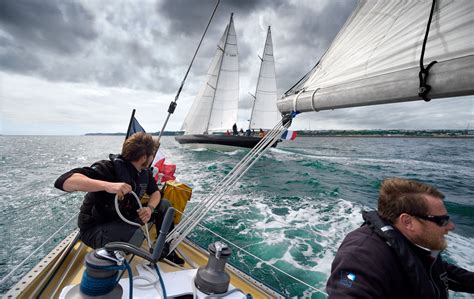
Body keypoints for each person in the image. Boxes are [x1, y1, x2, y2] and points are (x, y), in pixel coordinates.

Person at [326, 177, 474, 298]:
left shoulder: (415, 244)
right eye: (441, 221)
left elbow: (438, 271)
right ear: (408, 222)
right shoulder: (360, 257)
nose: (450, 227)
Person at [54, 132, 184, 265]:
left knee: (165, 206)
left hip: (125, 218)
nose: (153, 158)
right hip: (95, 228)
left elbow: (155, 193)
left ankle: (164, 251)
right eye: (152, 155)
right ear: (144, 157)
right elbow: (63, 181)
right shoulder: (108, 168)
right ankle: (114, 261)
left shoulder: (144, 173)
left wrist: (149, 208)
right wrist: (108, 186)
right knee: (134, 235)